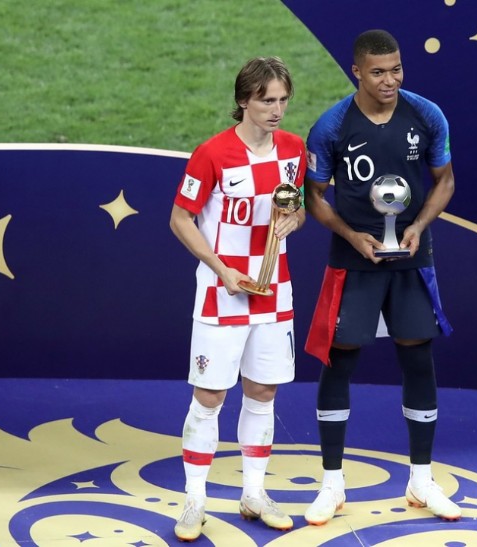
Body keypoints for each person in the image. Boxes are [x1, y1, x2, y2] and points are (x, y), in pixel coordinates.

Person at [302, 29, 459, 525]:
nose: (389, 80)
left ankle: (421, 479)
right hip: (354, 262)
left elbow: (445, 180)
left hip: (412, 258)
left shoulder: (427, 115)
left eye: (396, 69)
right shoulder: (331, 127)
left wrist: (416, 226)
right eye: (378, 72)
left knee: (418, 356)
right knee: (340, 360)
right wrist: (352, 236)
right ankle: (332, 484)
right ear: (356, 72)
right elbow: (315, 196)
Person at [169, 56, 306, 541]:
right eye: (267, 100)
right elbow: (180, 218)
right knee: (209, 397)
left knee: (263, 392)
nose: (276, 110)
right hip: (222, 294)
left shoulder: (294, 150)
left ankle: (253, 493)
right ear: (243, 101)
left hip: (275, 291)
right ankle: (194, 501)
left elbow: (295, 208)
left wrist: (295, 220)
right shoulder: (211, 154)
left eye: (283, 100)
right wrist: (222, 269)